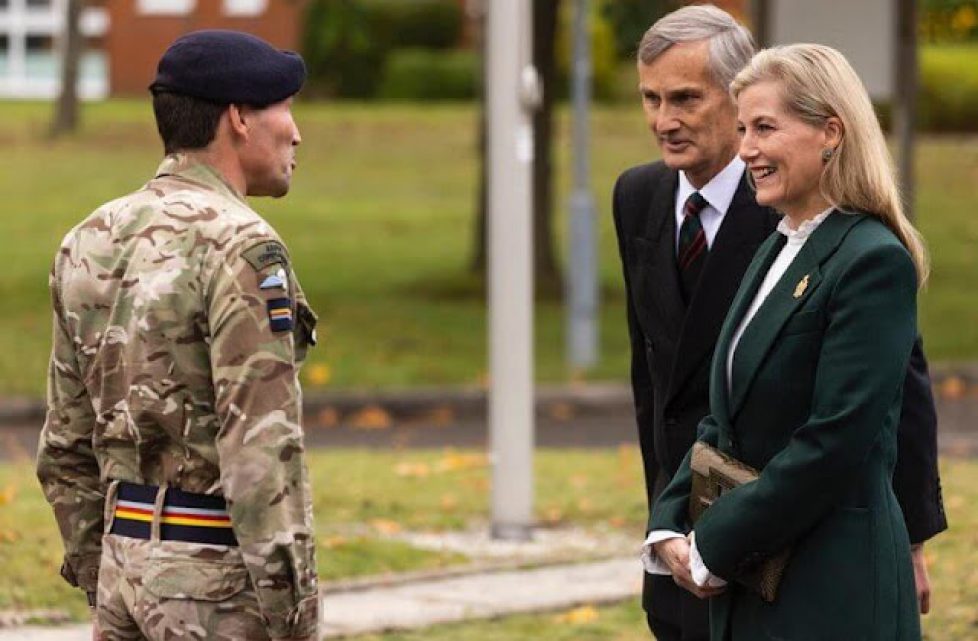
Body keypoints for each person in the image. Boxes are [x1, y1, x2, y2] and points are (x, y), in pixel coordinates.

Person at [611, 6, 945, 641]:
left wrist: (912, 536)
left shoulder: (862, 255)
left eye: (763, 128)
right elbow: (690, 400)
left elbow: (850, 426)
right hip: (728, 557)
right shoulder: (779, 242)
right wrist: (668, 522)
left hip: (815, 574)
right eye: (745, 129)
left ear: (830, 133)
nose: (747, 150)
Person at [36, 30, 319, 641]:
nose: (296, 133)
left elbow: (65, 444)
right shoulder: (245, 248)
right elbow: (262, 453)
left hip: (123, 569)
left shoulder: (89, 239)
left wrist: (101, 577)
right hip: (217, 585)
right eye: (285, 107)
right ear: (239, 118)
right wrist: (295, 615)